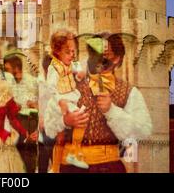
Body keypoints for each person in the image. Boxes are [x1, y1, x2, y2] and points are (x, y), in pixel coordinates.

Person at [45, 33, 152, 173]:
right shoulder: (68, 82)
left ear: (117, 59)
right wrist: (65, 121)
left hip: (107, 167)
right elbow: (48, 126)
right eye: (94, 53)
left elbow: (143, 131)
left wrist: (111, 111)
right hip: (70, 167)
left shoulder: (128, 91)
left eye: (106, 54)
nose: (99, 58)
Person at [46, 30, 88, 171]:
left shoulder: (71, 63)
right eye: (67, 52)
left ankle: (55, 168)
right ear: (57, 51)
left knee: (61, 138)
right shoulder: (54, 67)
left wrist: (81, 74)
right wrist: (60, 102)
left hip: (69, 99)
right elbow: (50, 88)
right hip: (60, 101)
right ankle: (74, 152)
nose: (71, 55)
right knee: (81, 119)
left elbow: (79, 70)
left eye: (73, 51)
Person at [3, 53, 39, 173]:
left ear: (17, 68)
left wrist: (36, 105)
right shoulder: (7, 83)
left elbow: (45, 103)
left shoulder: (33, 81)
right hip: (14, 123)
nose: (6, 72)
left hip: (31, 121)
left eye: (7, 69)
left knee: (29, 160)